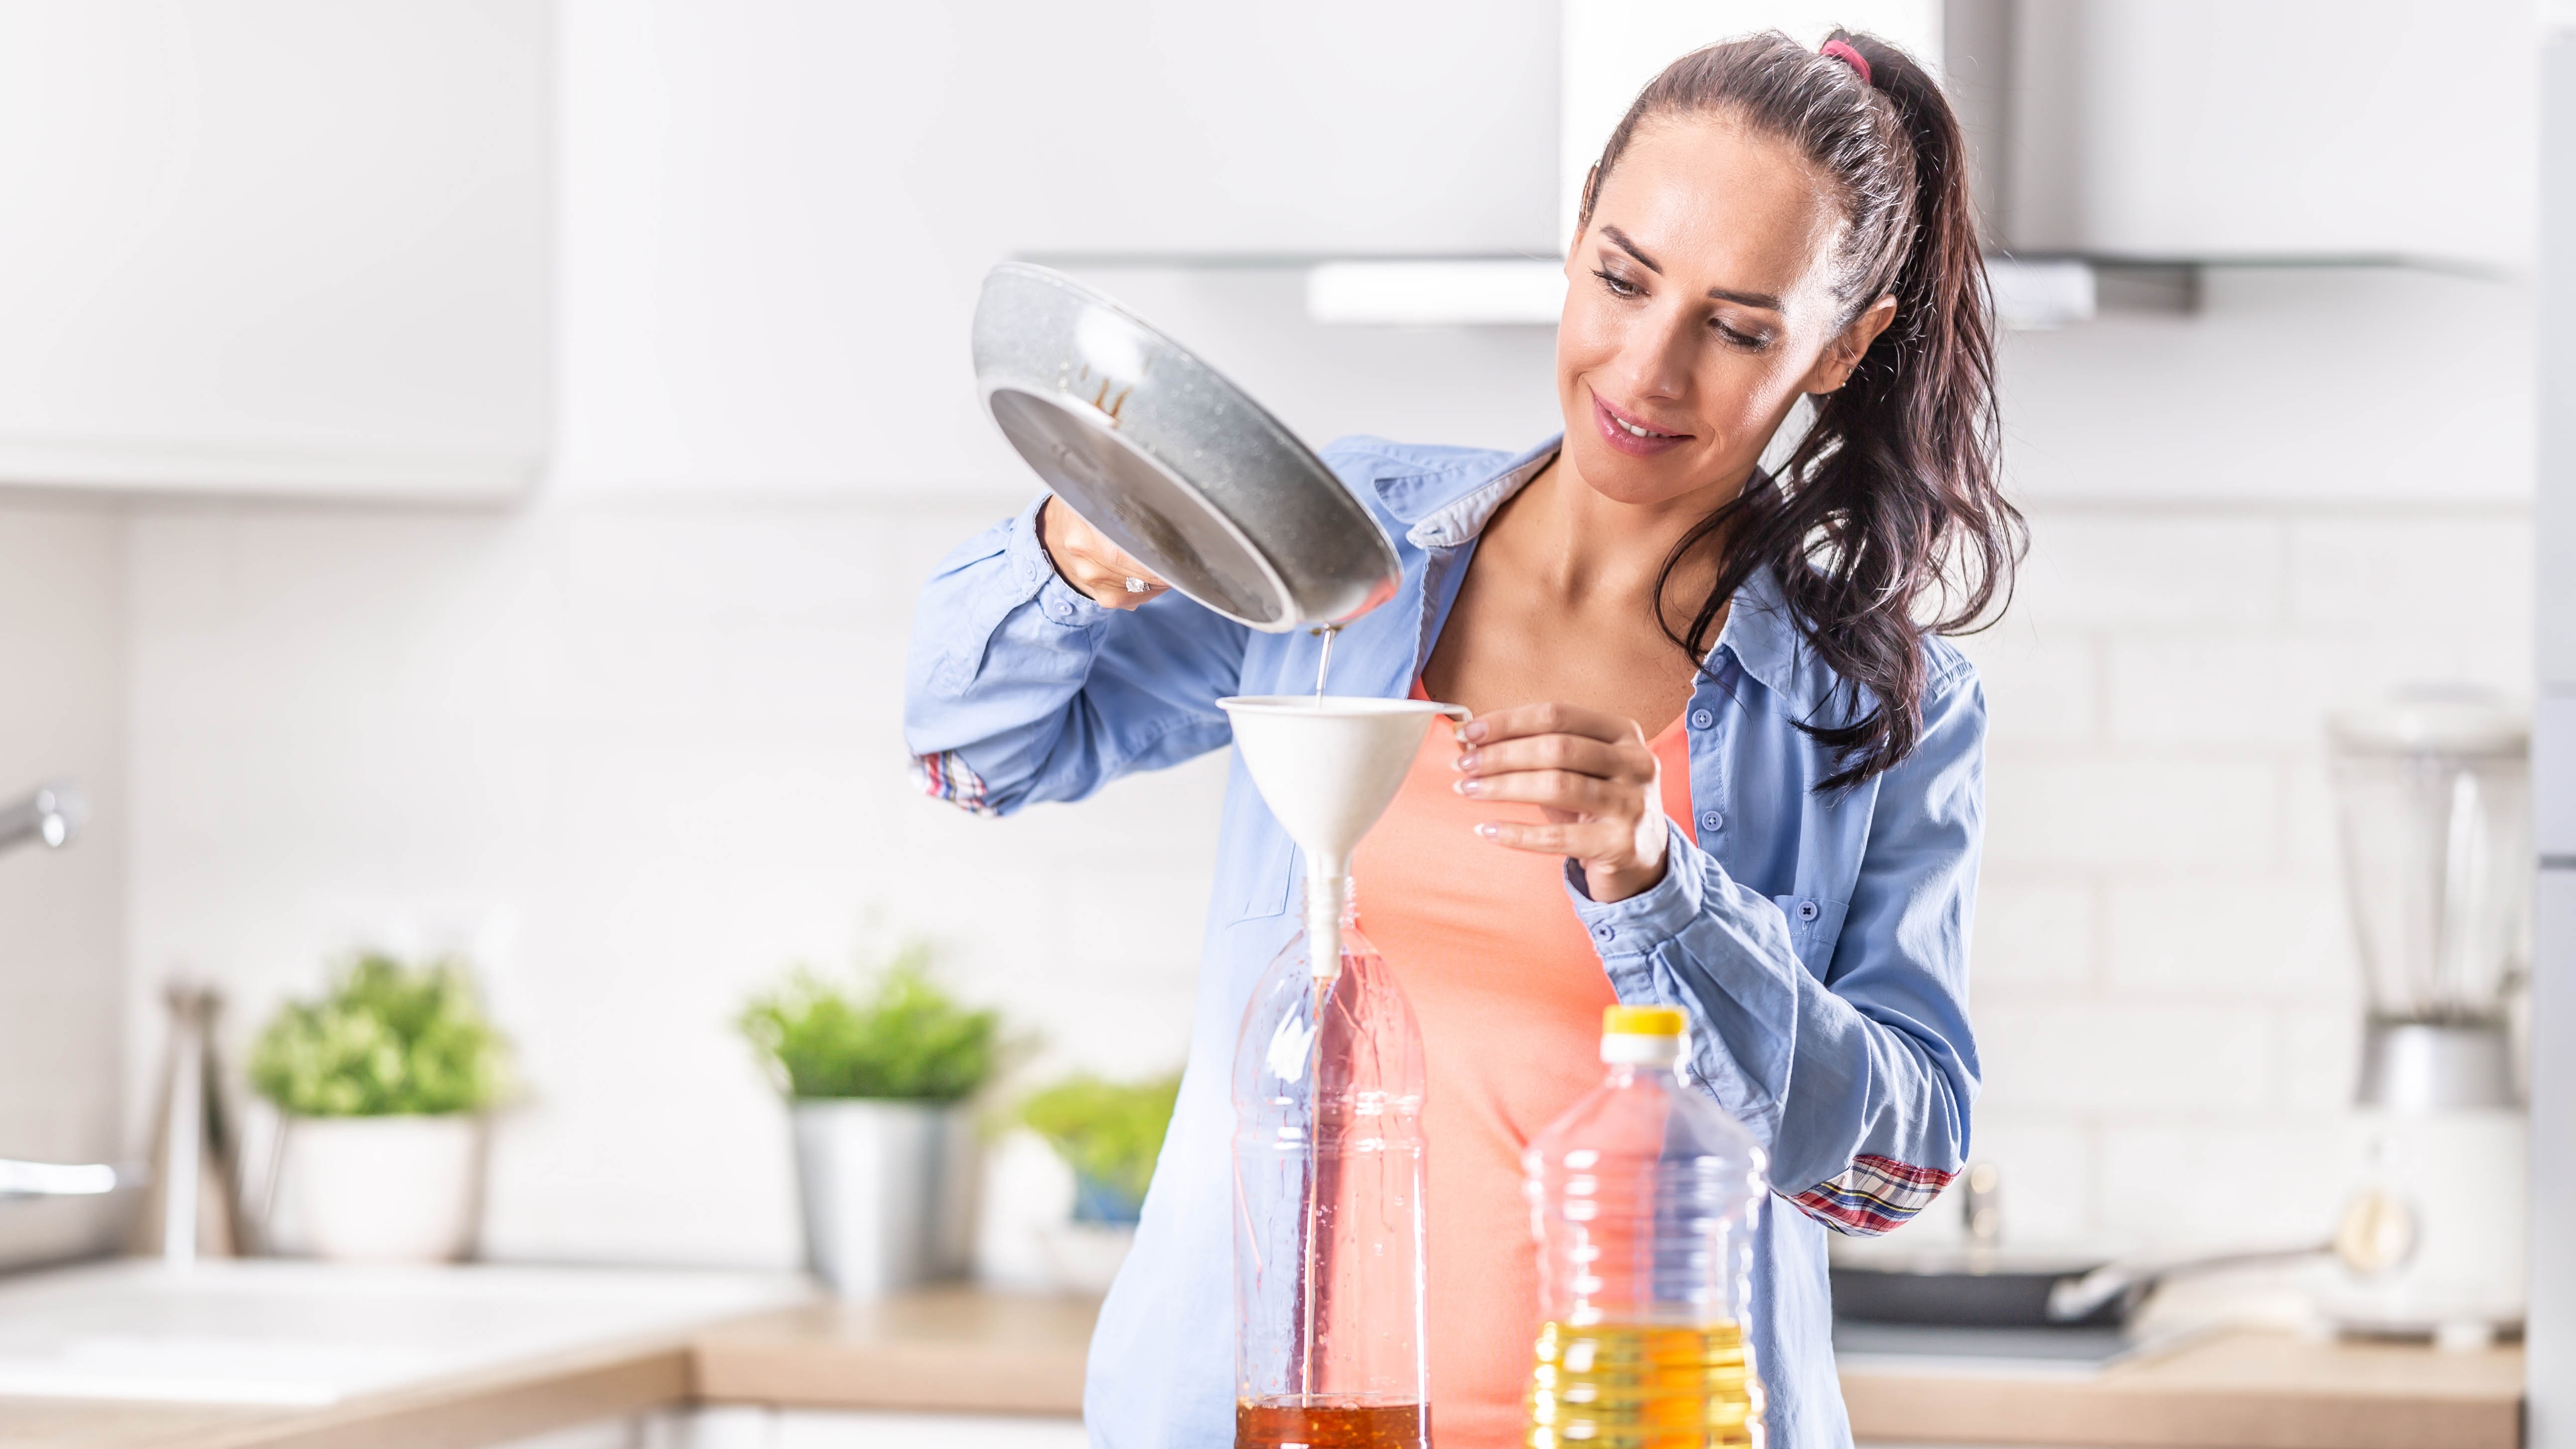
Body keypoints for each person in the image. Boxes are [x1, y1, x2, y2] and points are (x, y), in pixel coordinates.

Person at [905, 29, 2018, 1449]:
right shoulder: (1339, 549)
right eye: (1622, 279)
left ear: (1840, 349)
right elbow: (972, 754)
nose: (1648, 368)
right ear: (1576, 238)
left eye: (1739, 328)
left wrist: (1658, 884)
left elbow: (1894, 1162)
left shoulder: (1879, 705)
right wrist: (1082, 545)